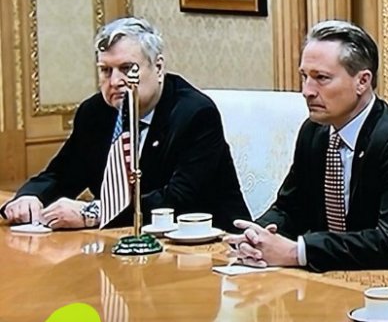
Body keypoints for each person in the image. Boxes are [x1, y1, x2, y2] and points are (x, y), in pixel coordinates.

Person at [225, 20, 388, 280]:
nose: (307, 91)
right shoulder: (314, 132)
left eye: (321, 78)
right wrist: (256, 237)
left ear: (362, 81)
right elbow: (290, 208)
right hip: (337, 278)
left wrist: (298, 252)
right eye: (304, 77)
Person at [1, 17, 250, 231]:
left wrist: (93, 213)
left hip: (205, 246)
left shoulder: (196, 114)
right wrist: (30, 197)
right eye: (105, 71)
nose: (115, 81)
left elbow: (177, 198)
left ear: (158, 67)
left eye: (127, 69)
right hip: (120, 242)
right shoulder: (95, 112)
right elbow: (62, 174)